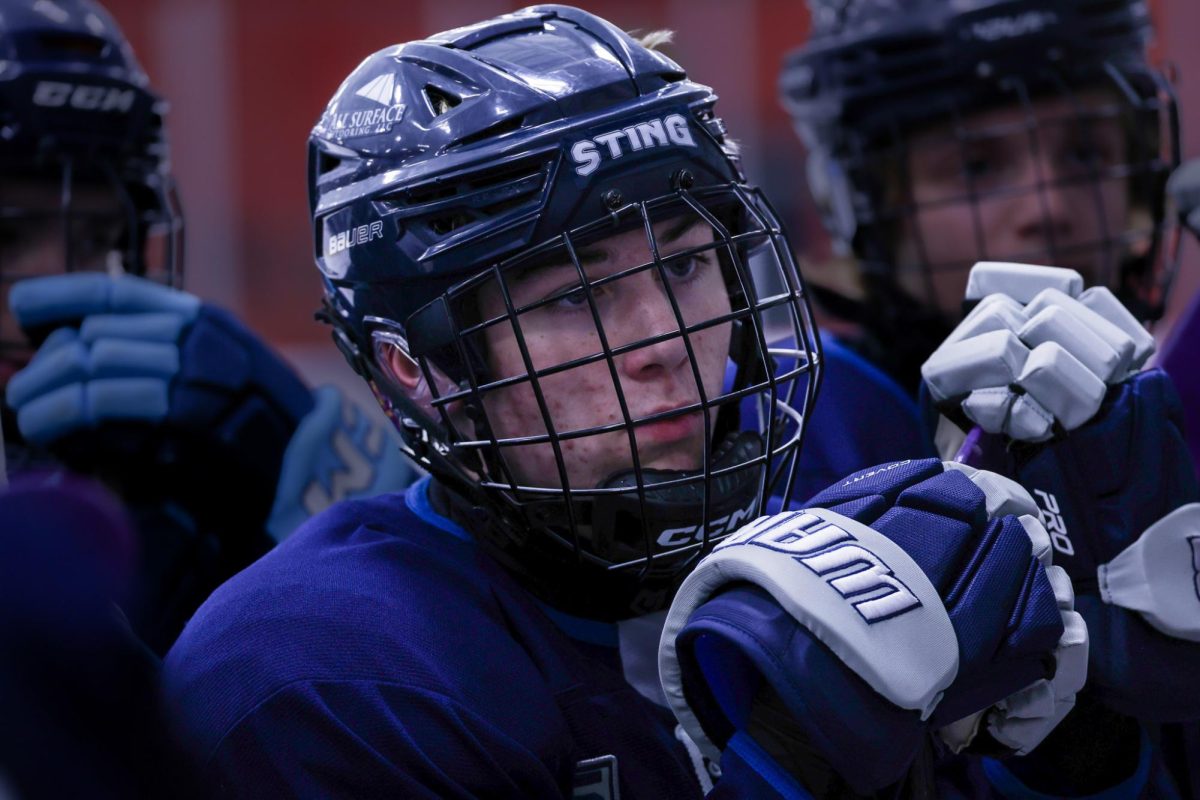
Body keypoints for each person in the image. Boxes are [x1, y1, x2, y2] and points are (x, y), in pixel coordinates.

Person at [164, 7, 1086, 797]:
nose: (667, 346)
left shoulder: (852, 478)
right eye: (575, 294)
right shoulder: (323, 679)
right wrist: (789, 769)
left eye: (685, 264)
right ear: (419, 367)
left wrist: (1096, 741)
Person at [781, 1, 1200, 795]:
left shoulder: (1170, 405)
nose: (1049, 205)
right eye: (975, 168)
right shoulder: (797, 435)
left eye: (1086, 152)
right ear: (863, 203)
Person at [0, 0, 414, 654]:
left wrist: (293, 460)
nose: (57, 292)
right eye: (5, 237)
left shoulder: (170, 483)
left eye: (100, 237)